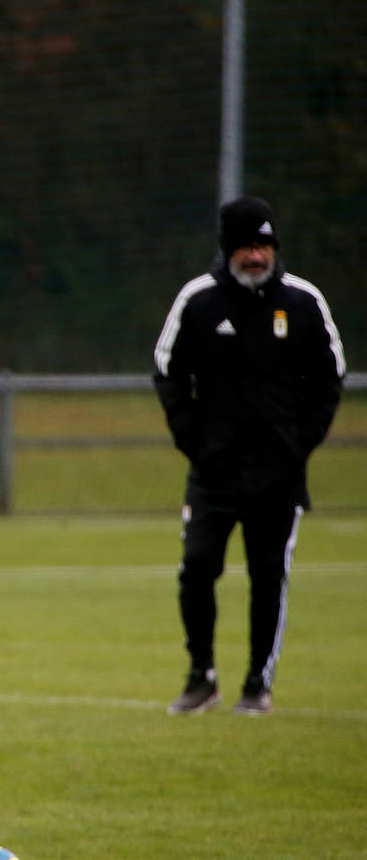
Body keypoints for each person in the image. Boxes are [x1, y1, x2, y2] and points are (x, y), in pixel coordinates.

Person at [154, 195, 344, 716]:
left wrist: (300, 442)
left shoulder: (303, 303)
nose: (256, 256)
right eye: (246, 246)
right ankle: (201, 678)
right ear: (228, 249)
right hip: (213, 471)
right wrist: (193, 440)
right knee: (196, 568)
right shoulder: (199, 301)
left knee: (268, 578)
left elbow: (331, 377)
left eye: (264, 245)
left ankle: (258, 683)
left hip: (278, 475)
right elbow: (167, 369)